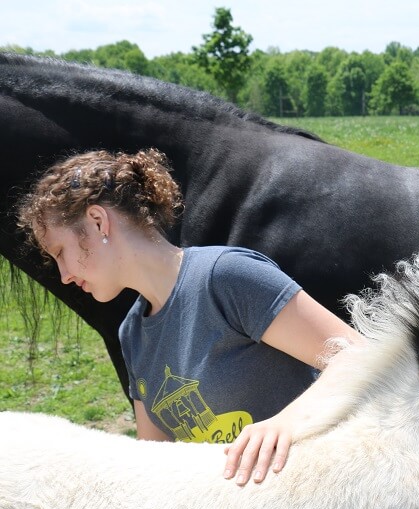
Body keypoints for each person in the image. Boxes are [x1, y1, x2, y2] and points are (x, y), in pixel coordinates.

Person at [17, 148, 361, 486]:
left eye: (61, 252)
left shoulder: (227, 276)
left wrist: (286, 423)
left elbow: (358, 356)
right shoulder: (132, 334)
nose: (63, 275)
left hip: (317, 500)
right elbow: (154, 462)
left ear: (97, 221)